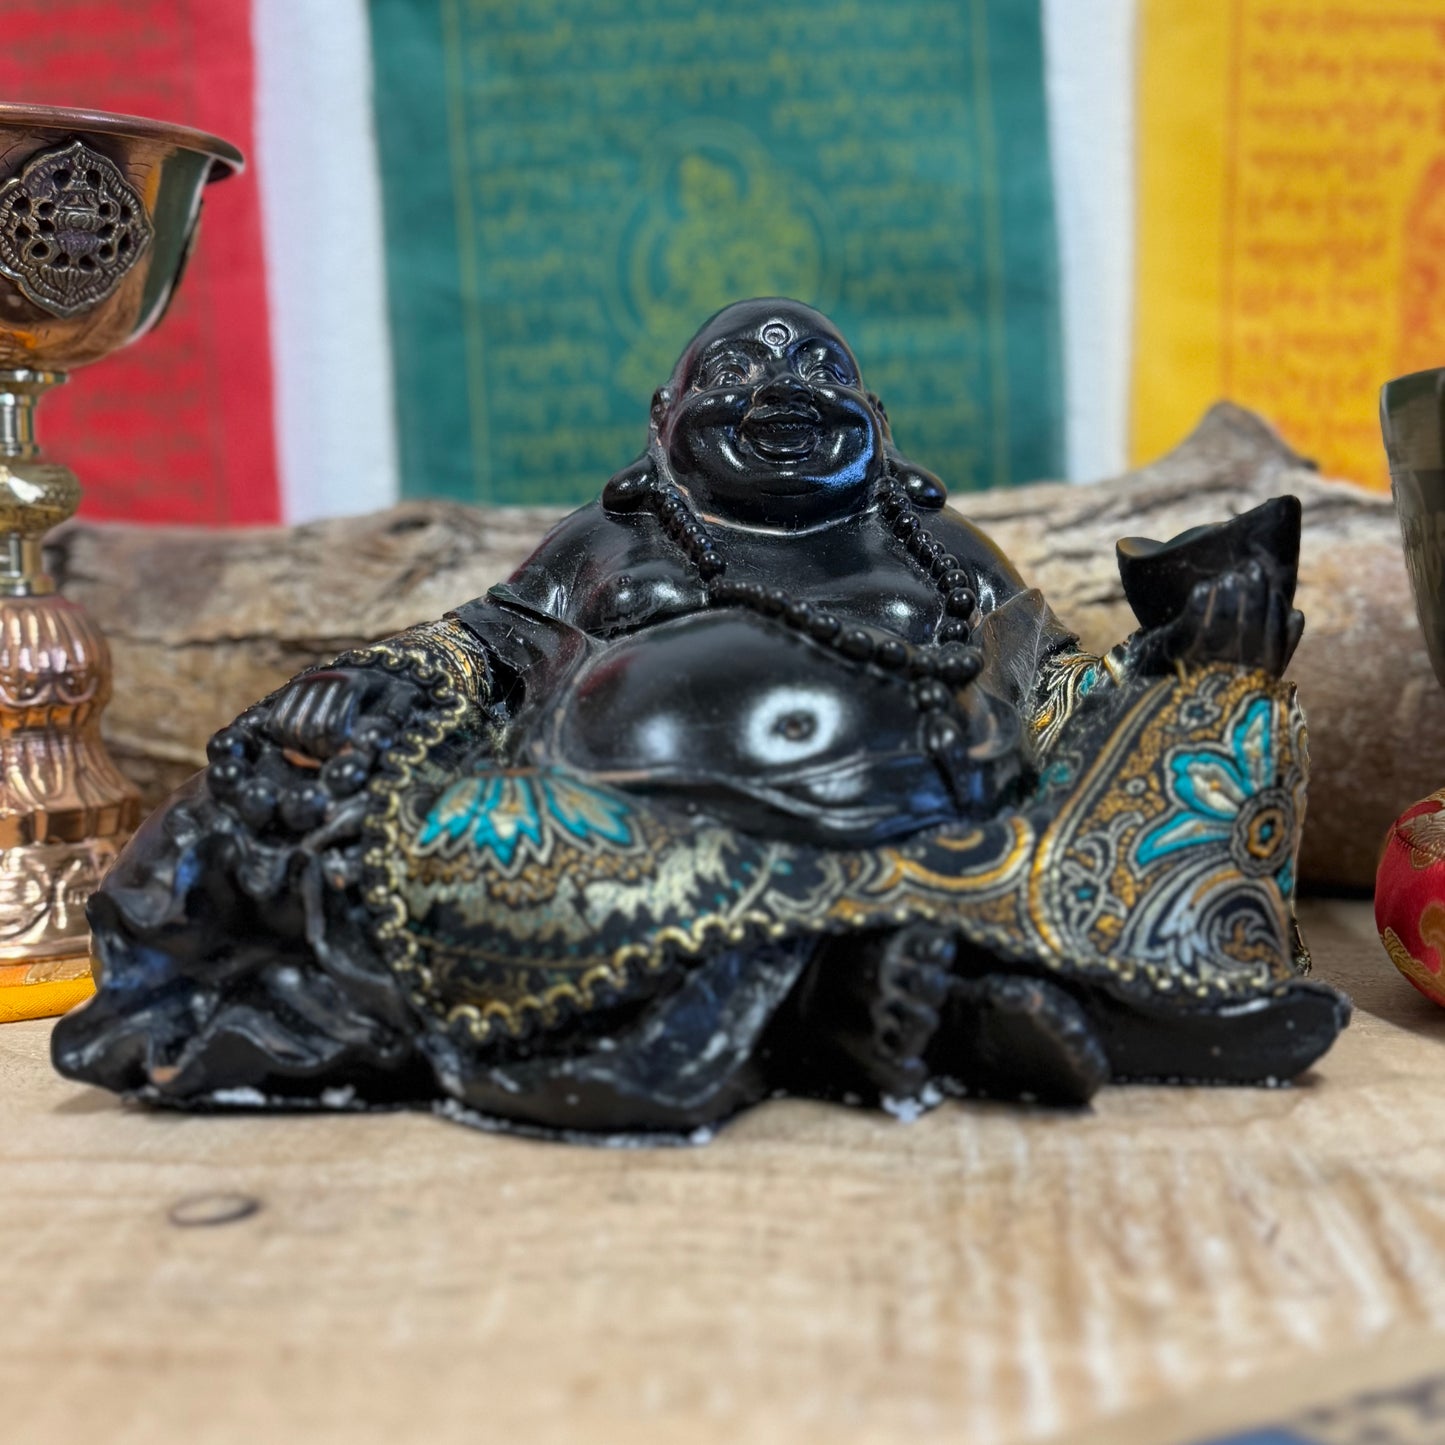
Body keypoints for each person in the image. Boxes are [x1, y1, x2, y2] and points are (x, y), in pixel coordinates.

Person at [54, 300, 1348, 1141]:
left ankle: (896, 984)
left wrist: (1190, 658)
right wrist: (358, 686)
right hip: (622, 836)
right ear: (662, 425)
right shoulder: (610, 544)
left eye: (820, 368)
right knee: (377, 831)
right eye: (735, 369)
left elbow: (1056, 697)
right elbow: (470, 655)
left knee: (1194, 755)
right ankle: (899, 992)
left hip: (933, 835)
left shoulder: (942, 552)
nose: (783, 381)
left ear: (879, 427)